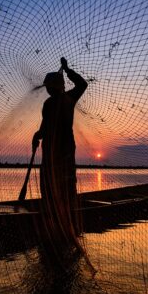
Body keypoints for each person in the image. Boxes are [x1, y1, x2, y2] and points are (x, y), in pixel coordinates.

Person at [32, 57, 88, 237]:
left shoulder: (69, 98)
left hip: (64, 151)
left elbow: (82, 84)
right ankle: (51, 215)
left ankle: (67, 218)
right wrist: (37, 135)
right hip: (49, 151)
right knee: (49, 183)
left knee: (65, 182)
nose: (47, 89)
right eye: (47, 87)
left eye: (50, 86)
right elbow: (44, 126)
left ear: (56, 86)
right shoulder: (48, 104)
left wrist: (67, 69)